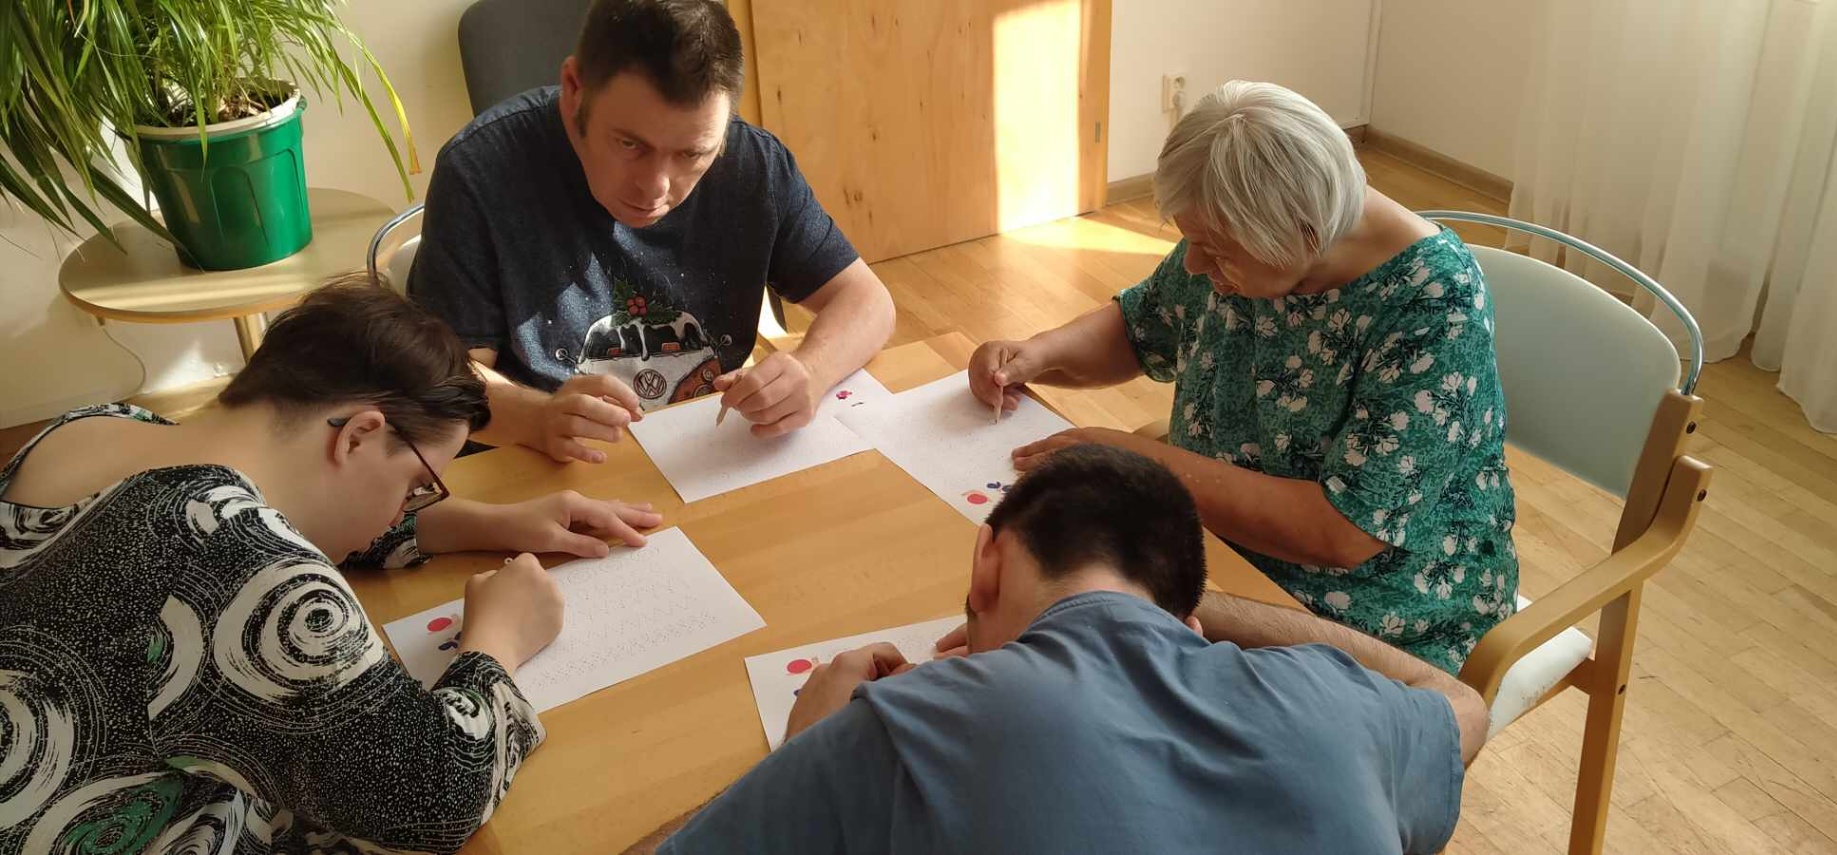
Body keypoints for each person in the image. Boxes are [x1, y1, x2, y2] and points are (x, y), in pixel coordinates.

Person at [0, 278, 656, 854]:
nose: (405, 507)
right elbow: (434, 797)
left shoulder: (90, 428)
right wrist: (498, 639)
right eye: (417, 485)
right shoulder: (243, 569)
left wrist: (490, 523)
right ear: (359, 435)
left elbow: (261, 515)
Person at [630, 444, 1487, 855]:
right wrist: (1194, 616)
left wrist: (808, 746)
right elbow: (1458, 699)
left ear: (987, 561)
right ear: (1188, 619)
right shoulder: (1340, 710)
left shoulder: (901, 730)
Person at [966, 81, 1519, 672]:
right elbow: (1142, 325)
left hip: (1376, 609)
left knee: (1082, 658)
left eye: (1213, 248)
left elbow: (1341, 533)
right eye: (1191, 241)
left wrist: (1132, 460)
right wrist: (1037, 353)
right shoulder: (1245, 238)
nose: (1195, 263)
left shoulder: (1434, 304)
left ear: (1305, 234)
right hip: (1213, 546)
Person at [409, 0, 895, 464]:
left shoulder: (755, 165)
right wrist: (537, 417)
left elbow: (868, 301)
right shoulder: (479, 172)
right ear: (574, 88)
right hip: (535, 463)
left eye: (692, 154)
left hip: (702, 451)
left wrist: (811, 369)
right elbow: (448, 377)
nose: (655, 188)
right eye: (629, 144)